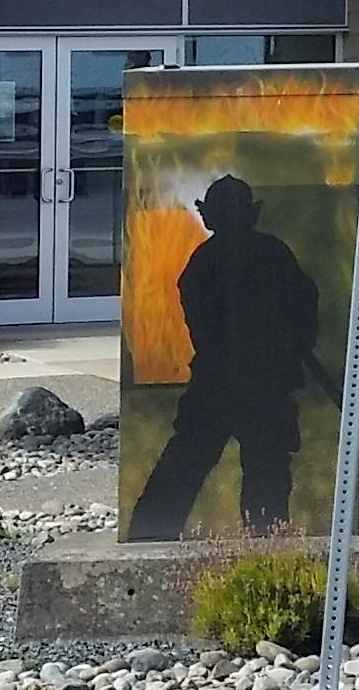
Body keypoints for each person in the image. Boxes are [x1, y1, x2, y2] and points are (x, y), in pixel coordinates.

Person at [124, 173, 327, 538]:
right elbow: (301, 308)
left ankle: (155, 532)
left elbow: (301, 305)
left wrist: (286, 347)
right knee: (212, 465)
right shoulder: (258, 255)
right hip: (244, 384)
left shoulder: (215, 260)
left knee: (214, 465)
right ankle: (156, 533)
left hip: (238, 384)